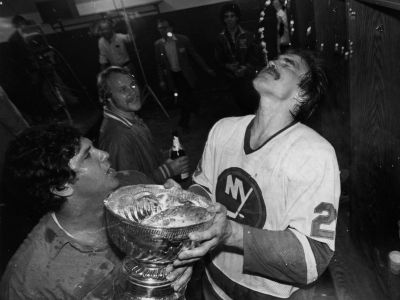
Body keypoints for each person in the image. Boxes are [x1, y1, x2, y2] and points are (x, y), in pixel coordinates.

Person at [176, 49, 341, 299]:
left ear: (303, 92)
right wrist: (186, 204)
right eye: (275, 58)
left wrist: (233, 233)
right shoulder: (223, 130)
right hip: (213, 283)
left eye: (288, 63)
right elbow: (203, 187)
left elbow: (312, 259)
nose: (273, 61)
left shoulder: (315, 153)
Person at [0, 124, 191, 299]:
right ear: (61, 187)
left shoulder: (136, 185)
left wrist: (181, 217)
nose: (105, 154)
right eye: (87, 155)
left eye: (94, 147)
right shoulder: (31, 284)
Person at [98, 66, 190, 184]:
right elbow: (127, 188)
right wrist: (167, 170)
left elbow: (146, 159)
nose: (133, 92)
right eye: (123, 90)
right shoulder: (117, 137)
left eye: (132, 85)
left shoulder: (131, 119)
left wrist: (169, 155)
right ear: (108, 98)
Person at [154, 19, 215, 130]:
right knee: (184, 98)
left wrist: (206, 68)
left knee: (187, 96)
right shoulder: (158, 45)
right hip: (172, 76)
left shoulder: (182, 40)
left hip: (185, 74)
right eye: (160, 28)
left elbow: (194, 55)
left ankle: (186, 119)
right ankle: (187, 118)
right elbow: (159, 64)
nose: (162, 30)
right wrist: (161, 80)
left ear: (171, 28)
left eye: (164, 27)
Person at [215, 3, 262, 115]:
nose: (229, 19)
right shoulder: (220, 38)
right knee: (238, 108)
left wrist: (245, 68)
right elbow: (217, 59)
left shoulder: (248, 35)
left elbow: (256, 57)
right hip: (230, 79)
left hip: (248, 77)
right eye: (226, 16)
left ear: (237, 18)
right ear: (223, 19)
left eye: (232, 16)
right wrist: (228, 66)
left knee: (253, 105)